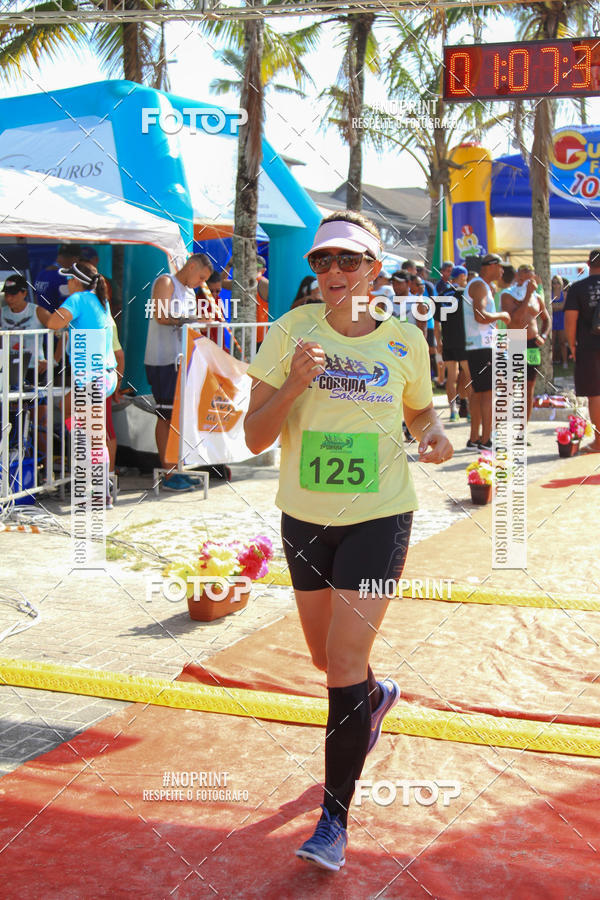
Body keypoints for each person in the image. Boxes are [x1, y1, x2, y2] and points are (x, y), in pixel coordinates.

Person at [244, 209, 453, 872]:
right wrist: (295, 383)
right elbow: (253, 436)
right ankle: (375, 697)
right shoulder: (290, 331)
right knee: (325, 659)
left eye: (348, 259)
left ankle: (333, 820)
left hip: (380, 516)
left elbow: (420, 409)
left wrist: (432, 434)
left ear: (375, 269)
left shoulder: (404, 340)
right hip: (305, 519)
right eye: (322, 260)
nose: (334, 271)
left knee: (342, 660)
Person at [44, 260, 118, 504]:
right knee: (73, 415)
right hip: (104, 376)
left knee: (93, 436)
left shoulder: (78, 299)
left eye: (69, 278)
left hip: (92, 377)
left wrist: (43, 314)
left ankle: (101, 490)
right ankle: (99, 482)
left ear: (76, 281)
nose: (66, 282)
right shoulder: (100, 300)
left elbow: (53, 323)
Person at [144, 253, 214, 491]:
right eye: (201, 277)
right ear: (191, 266)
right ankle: (168, 472)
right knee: (166, 415)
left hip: (182, 361)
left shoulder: (189, 292)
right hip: (163, 360)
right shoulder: (166, 282)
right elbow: (161, 316)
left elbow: (189, 325)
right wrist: (196, 319)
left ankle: (177, 468)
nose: (200, 283)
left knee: (178, 417)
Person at [463, 253, 511, 450]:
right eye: (500, 267)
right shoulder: (480, 285)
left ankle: (475, 438)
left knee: (479, 394)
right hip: (481, 347)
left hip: (479, 345)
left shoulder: (481, 285)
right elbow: (481, 316)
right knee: (488, 394)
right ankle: (486, 440)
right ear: (491, 266)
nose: (502, 271)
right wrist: (502, 315)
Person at [501, 265, 551, 421]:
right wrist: (528, 294)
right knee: (510, 385)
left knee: (528, 387)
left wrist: (543, 335)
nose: (528, 283)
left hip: (532, 345)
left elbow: (546, 319)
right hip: (515, 342)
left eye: (531, 280)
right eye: (524, 279)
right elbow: (515, 319)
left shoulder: (537, 298)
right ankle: (502, 424)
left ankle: (523, 427)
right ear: (518, 277)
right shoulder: (508, 295)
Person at [564, 249, 600, 452]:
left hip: (589, 346)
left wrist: (572, 345)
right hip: (590, 347)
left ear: (588, 264)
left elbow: (570, 321)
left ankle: (599, 442)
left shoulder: (578, 288)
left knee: (596, 395)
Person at [434, 265, 470, 422]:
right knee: (467, 374)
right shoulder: (464, 294)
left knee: (451, 377)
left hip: (448, 341)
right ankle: (469, 409)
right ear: (462, 277)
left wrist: (438, 341)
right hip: (464, 340)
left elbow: (437, 323)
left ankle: (453, 411)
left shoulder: (442, 295)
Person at [1, 274, 47, 379]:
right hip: (9, 366)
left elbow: (63, 334)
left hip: (34, 367)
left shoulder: (38, 311)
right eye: (6, 294)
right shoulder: (2, 312)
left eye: (13, 294)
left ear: (24, 293)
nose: (9, 298)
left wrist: (53, 361)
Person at [34, 244, 82, 325]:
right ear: (74, 258)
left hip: (41, 324)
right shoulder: (63, 277)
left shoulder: (42, 274)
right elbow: (65, 306)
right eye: (78, 259)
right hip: (58, 327)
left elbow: (36, 299)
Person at [551, 275, 569, 369]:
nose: (555, 285)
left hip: (561, 319)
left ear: (561, 283)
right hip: (552, 319)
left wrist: (554, 306)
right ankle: (551, 362)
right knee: (552, 343)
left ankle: (565, 362)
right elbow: (549, 307)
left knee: (563, 342)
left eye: (557, 282)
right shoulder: (549, 293)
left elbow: (563, 307)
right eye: (553, 283)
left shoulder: (564, 294)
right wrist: (557, 306)